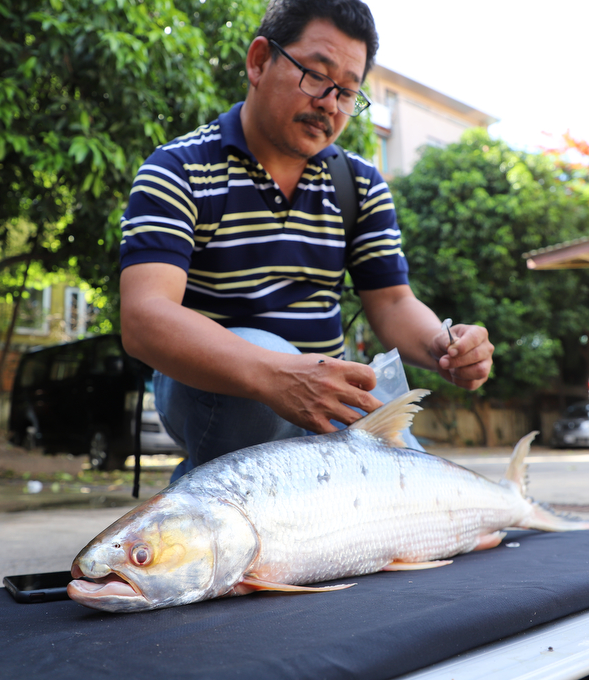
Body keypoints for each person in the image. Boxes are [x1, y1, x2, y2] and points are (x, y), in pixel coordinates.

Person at [119, 0, 494, 481]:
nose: (329, 104)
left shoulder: (359, 184)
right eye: (316, 76)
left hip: (326, 392)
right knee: (256, 359)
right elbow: (145, 317)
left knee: (424, 489)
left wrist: (447, 345)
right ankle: (213, 504)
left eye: (346, 93)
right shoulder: (178, 169)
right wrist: (280, 374)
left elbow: (395, 303)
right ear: (259, 62)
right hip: (215, 390)